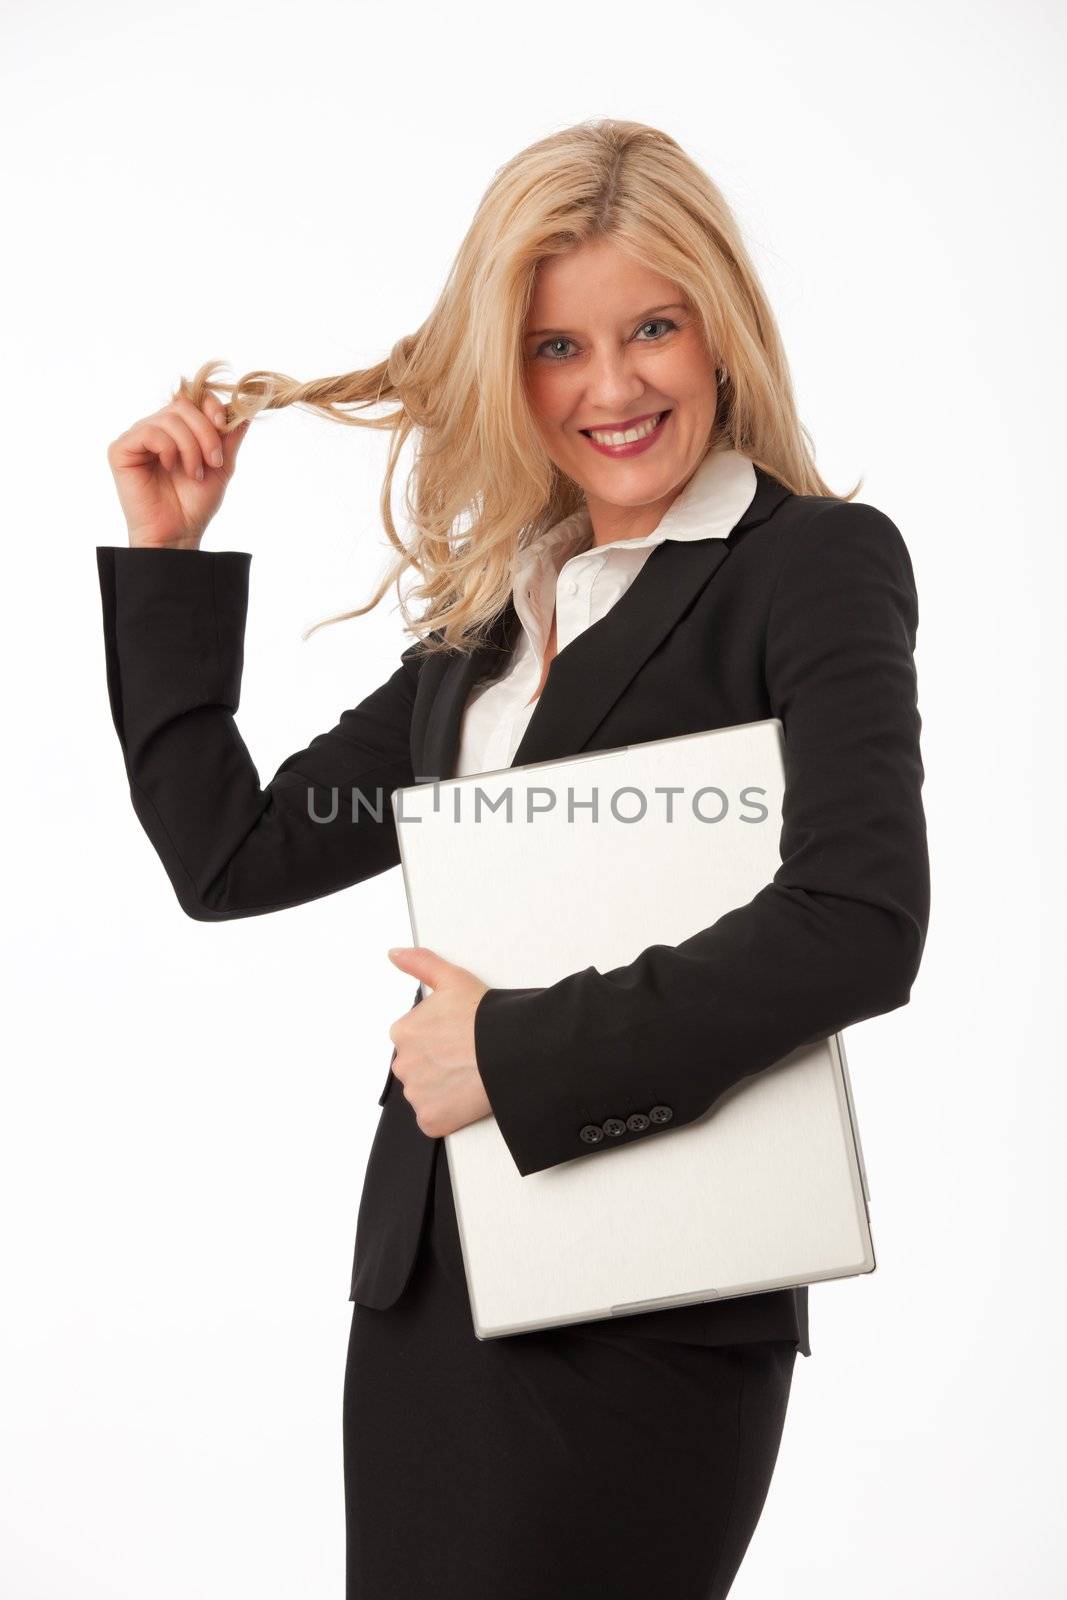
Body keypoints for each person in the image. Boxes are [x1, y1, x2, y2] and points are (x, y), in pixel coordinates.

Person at [97, 118, 929, 1599]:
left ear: (719, 326)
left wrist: (515, 1052)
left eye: (652, 329)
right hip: (431, 1300)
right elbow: (231, 855)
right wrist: (167, 564)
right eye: (557, 348)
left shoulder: (810, 565)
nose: (610, 388)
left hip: (651, 1302)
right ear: (508, 366)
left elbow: (859, 920)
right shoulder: (486, 623)